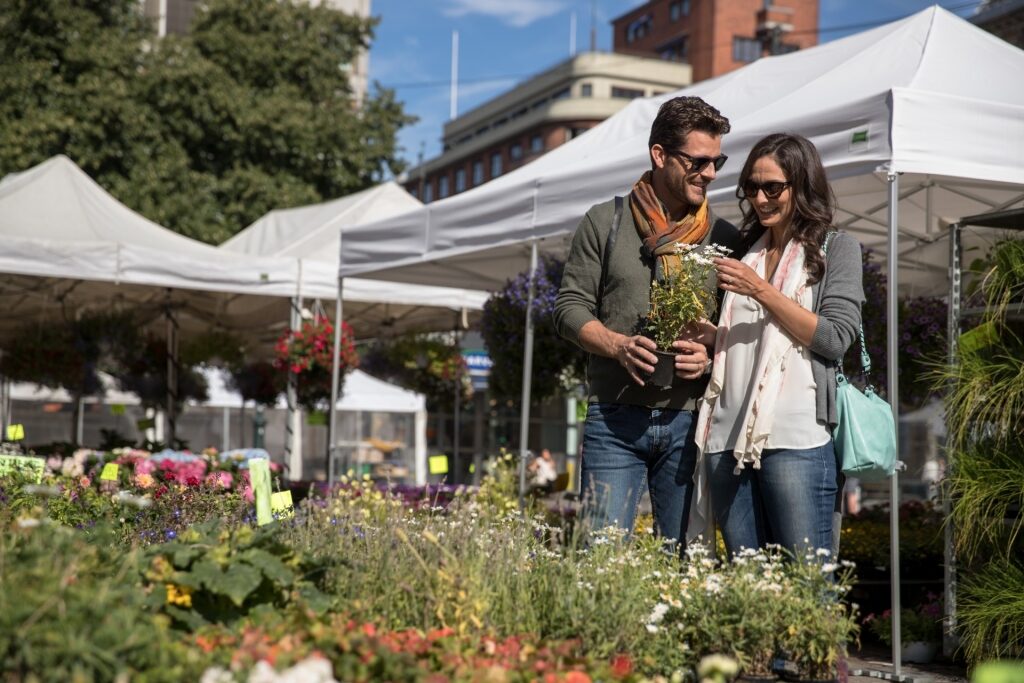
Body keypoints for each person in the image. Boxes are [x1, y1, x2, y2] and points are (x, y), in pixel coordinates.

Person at [554, 96, 743, 547]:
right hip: (614, 420)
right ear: (659, 155)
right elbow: (568, 309)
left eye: (717, 161)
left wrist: (712, 351)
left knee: (683, 560)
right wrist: (618, 345)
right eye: (698, 161)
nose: (711, 173)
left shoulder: (725, 238)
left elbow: (742, 330)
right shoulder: (607, 221)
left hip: (693, 422)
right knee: (601, 560)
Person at [694, 132, 864, 557]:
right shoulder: (744, 251)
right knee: (747, 586)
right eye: (752, 187)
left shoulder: (835, 249)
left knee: (807, 585)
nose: (760, 198)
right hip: (725, 439)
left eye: (773, 187)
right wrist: (712, 339)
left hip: (797, 438)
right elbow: (756, 344)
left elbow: (835, 337)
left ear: (801, 186)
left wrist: (760, 290)